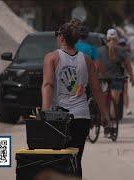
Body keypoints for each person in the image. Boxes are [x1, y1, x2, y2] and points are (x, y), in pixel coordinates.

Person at [41, 19, 110, 178]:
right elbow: (97, 89)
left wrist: (45, 112)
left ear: (62, 38)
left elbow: (48, 85)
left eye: (57, 34)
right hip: (81, 117)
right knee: (75, 160)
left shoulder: (51, 58)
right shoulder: (86, 59)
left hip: (58, 118)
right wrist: (105, 114)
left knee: (57, 161)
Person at [99, 28, 134, 123]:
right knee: (114, 102)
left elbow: (96, 65)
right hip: (116, 79)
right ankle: (112, 123)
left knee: (104, 101)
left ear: (107, 38)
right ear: (117, 38)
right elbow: (128, 65)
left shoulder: (100, 50)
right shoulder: (121, 50)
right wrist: (132, 77)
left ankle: (104, 121)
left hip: (103, 79)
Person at [118, 37, 132, 115]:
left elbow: (128, 66)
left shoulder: (126, 54)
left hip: (123, 76)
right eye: (120, 44)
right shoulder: (115, 52)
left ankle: (127, 108)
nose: (122, 46)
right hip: (116, 76)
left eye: (123, 44)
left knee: (125, 92)